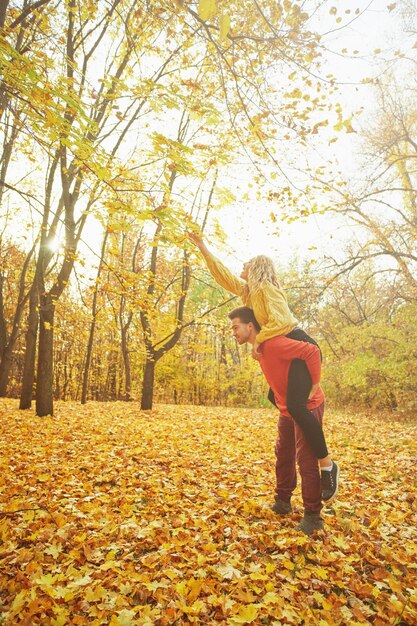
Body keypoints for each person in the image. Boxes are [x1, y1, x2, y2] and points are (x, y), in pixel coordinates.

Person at [187, 230, 339, 503]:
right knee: (276, 397)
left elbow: (282, 322)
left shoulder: (267, 289)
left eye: (247, 263)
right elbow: (223, 276)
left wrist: (259, 342)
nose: (242, 267)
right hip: (283, 346)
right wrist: (203, 248)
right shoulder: (249, 292)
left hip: (298, 344)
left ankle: (327, 466)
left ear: (258, 268)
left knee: (296, 406)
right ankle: (291, 481)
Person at [228, 306, 329, 534]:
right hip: (287, 407)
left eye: (236, 327)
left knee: (306, 459)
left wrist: (314, 384)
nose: (233, 332)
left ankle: (313, 516)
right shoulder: (260, 347)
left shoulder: (273, 343)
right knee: (283, 453)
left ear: (250, 326)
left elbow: (312, 351)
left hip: (306, 406)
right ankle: (283, 501)